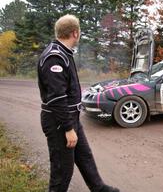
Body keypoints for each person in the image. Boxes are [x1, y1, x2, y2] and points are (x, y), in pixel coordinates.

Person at [37, 14, 120, 192]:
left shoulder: (63, 53)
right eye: (79, 31)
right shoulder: (55, 58)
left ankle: (99, 188)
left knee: (84, 156)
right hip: (59, 122)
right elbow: (57, 98)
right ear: (75, 33)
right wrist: (68, 129)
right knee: (62, 171)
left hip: (70, 118)